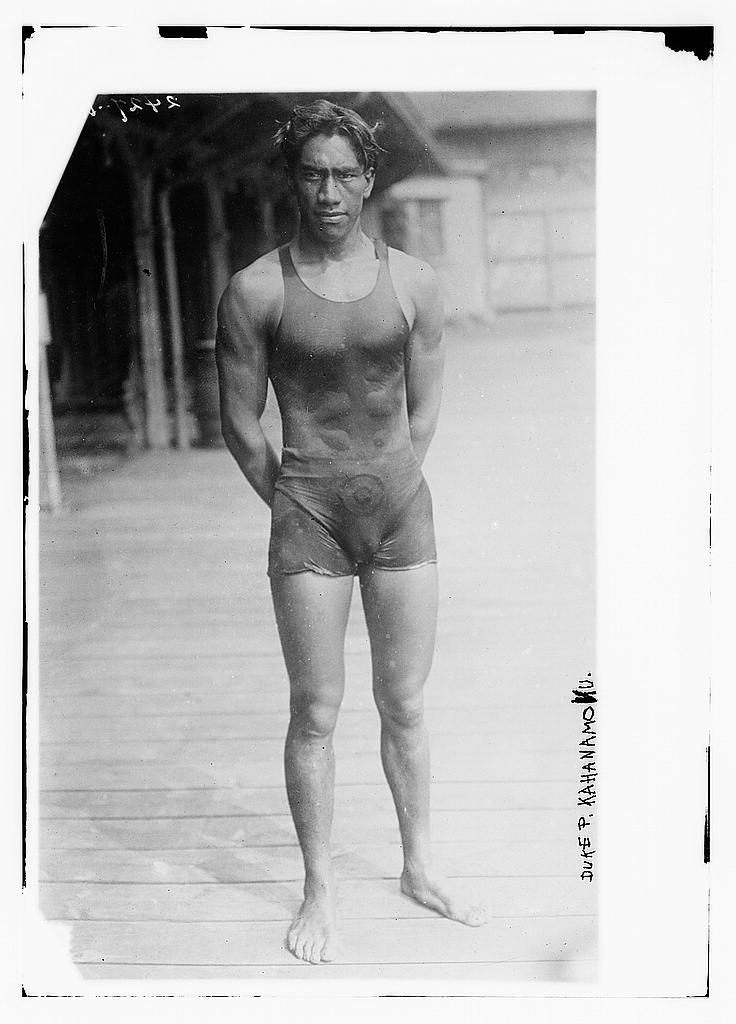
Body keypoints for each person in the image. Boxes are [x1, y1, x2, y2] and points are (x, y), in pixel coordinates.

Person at [216, 99, 486, 966]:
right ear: (293, 179)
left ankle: (419, 866)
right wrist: (295, 502)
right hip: (309, 515)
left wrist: (388, 479)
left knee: (405, 701)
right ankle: (319, 891)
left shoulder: (413, 281)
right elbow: (239, 424)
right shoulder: (257, 288)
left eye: (344, 174)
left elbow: (428, 406)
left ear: (368, 180)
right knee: (316, 711)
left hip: (401, 505)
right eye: (312, 173)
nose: (328, 191)